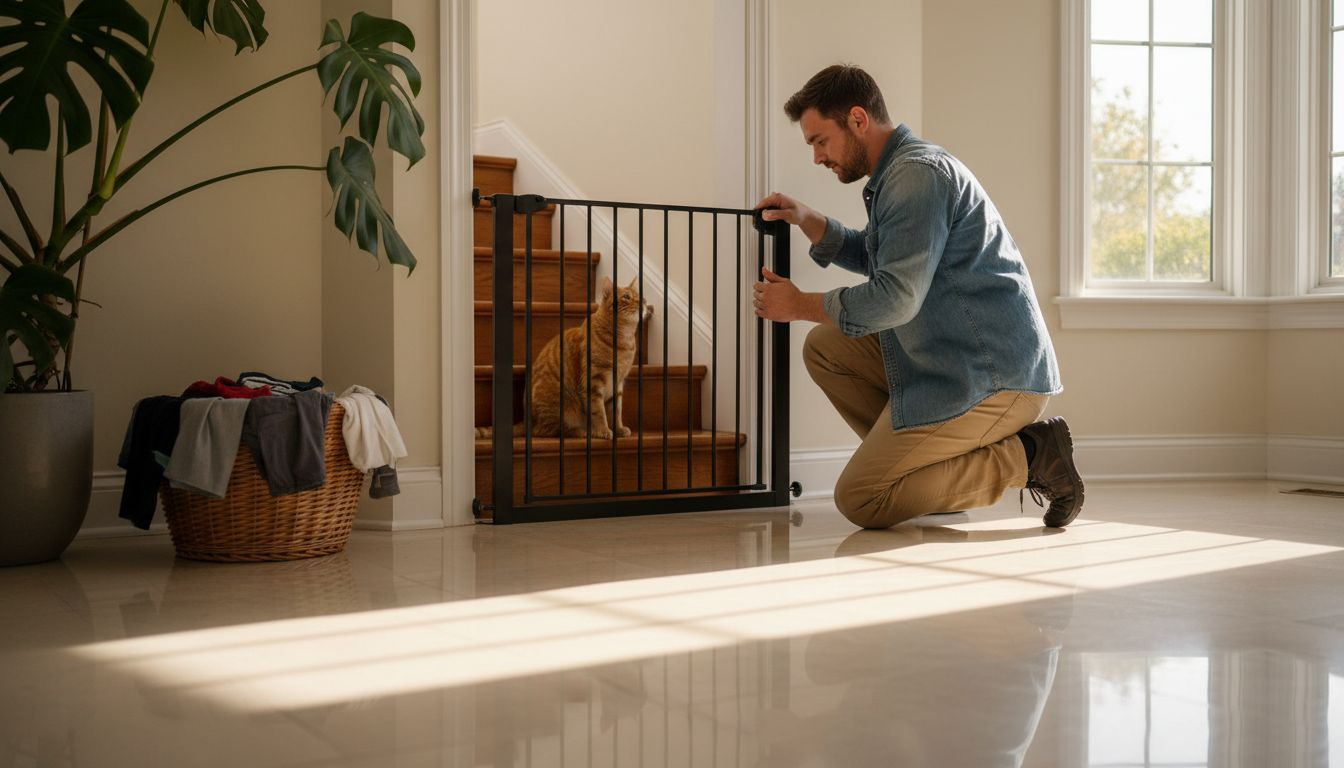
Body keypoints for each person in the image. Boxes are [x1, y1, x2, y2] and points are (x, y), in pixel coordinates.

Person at [752, 64, 1083, 529]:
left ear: (858, 119)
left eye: (819, 141)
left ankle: (1032, 455)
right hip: (950, 357)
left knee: (861, 499)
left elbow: (894, 300)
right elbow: (890, 263)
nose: (817, 158)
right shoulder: (900, 173)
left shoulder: (915, 176)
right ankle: (923, 477)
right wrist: (810, 220)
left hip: (994, 376)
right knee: (826, 349)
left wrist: (801, 304)